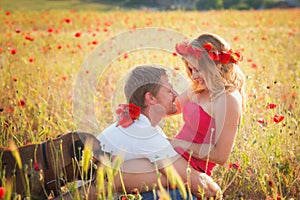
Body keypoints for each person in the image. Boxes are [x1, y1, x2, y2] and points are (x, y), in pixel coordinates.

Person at [97, 65, 221, 199]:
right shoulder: (144, 133)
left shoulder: (141, 126)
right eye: (169, 91)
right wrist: (218, 192)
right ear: (151, 98)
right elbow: (199, 183)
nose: (176, 95)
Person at [169, 32, 245, 176]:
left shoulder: (228, 100)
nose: (194, 76)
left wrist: (176, 144)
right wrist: (141, 105)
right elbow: (171, 108)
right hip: (172, 158)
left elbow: (220, 156)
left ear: (216, 66)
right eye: (191, 69)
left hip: (191, 170)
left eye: (198, 69)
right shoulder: (199, 89)